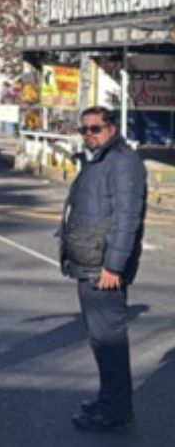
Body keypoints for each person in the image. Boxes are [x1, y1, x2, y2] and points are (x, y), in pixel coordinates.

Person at [62, 107, 146, 433]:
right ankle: (109, 400)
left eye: (95, 128)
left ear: (111, 128)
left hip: (103, 267)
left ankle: (114, 411)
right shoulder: (100, 158)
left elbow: (127, 219)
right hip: (89, 261)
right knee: (100, 340)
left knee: (109, 341)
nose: (89, 134)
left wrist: (113, 266)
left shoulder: (123, 161)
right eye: (83, 129)